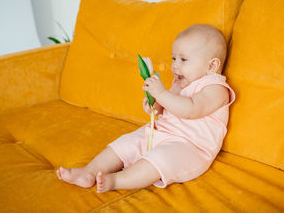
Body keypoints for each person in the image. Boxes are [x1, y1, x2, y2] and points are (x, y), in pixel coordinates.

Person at [56, 24, 235, 193]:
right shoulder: (180, 82)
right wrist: (156, 105)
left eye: (183, 59)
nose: (175, 65)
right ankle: (89, 171)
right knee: (126, 143)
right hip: (161, 132)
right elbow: (170, 108)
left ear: (212, 65)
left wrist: (162, 95)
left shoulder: (216, 89)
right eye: (174, 58)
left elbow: (192, 109)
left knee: (160, 159)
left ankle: (116, 180)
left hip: (190, 147)